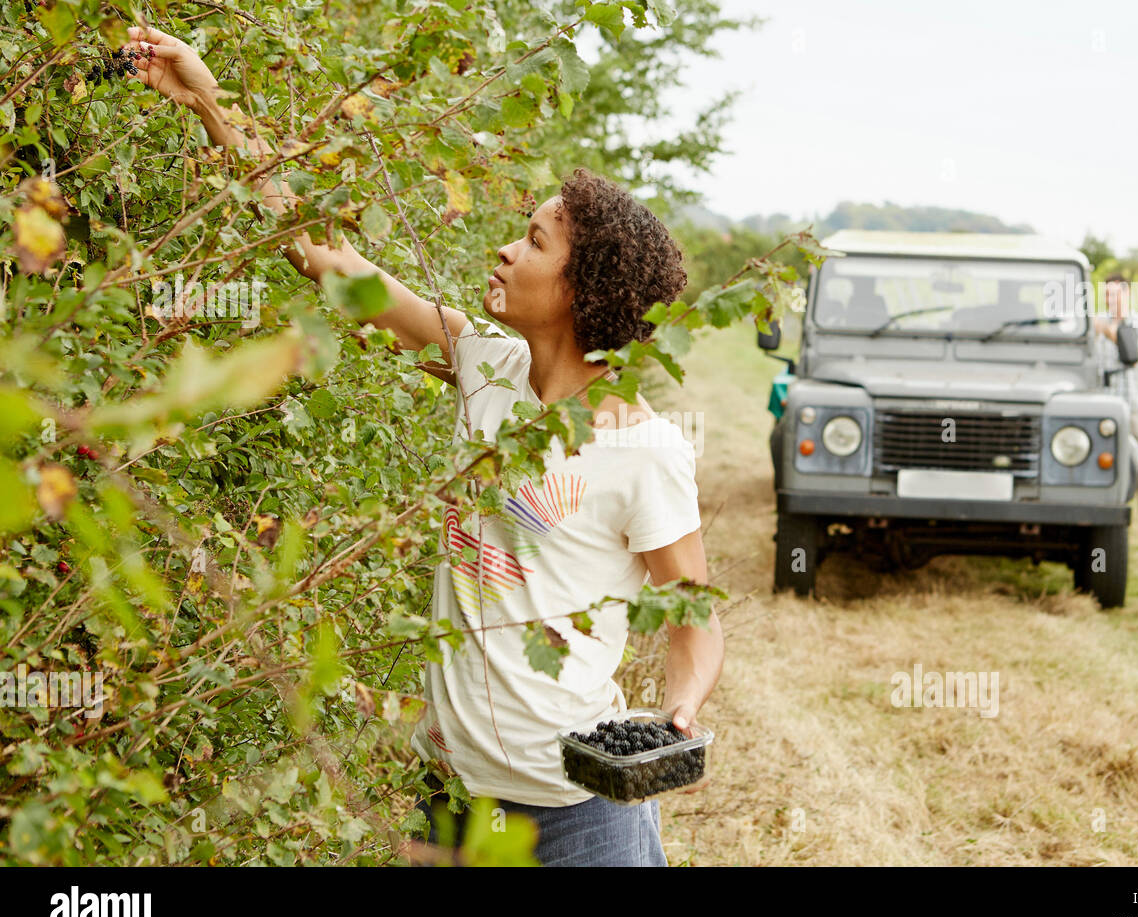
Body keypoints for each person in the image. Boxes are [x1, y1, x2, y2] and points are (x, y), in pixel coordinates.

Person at [126, 24, 725, 866]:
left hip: (578, 816)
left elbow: (692, 614)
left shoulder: (645, 450)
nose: (508, 248)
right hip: (448, 800)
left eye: (536, 242)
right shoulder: (484, 364)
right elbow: (323, 256)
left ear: (580, 292)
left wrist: (679, 709)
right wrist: (205, 99)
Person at [1096, 273, 1138, 522]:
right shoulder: (1095, 322)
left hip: (1129, 403)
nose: (1109, 300)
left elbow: (1134, 357)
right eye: (1106, 294)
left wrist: (1109, 333)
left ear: (1127, 295)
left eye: (1114, 295)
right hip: (1100, 402)